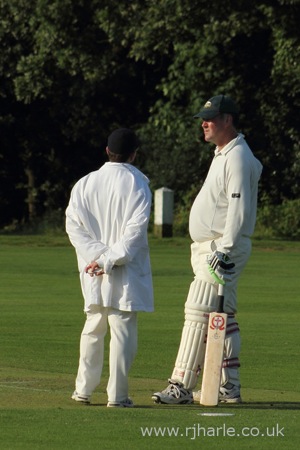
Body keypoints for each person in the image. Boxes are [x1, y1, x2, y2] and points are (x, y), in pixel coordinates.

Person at [152, 94, 263, 404]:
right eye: (204, 117)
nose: (205, 122)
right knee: (222, 315)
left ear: (228, 120)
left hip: (221, 249)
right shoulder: (224, 153)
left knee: (198, 309)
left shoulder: (237, 156)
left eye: (211, 118)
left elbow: (237, 210)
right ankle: (228, 387)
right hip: (212, 247)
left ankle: (181, 385)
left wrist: (224, 249)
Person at [66, 128, 154, 408]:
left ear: (107, 151)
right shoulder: (138, 183)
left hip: (93, 269)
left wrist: (97, 257)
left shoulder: (84, 183)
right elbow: (134, 233)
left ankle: (83, 390)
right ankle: (117, 396)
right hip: (122, 269)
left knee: (93, 327)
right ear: (134, 153)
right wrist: (108, 259)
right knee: (122, 330)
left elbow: (73, 227)